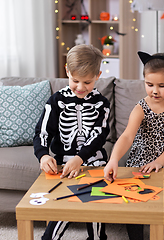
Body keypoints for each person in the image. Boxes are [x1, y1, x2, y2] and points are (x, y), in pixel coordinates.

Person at [104, 50, 164, 240]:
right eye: (149, 84)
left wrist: (160, 162)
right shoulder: (140, 108)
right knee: (133, 202)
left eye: (162, 86)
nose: (155, 90)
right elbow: (127, 136)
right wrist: (114, 159)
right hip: (143, 159)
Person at [33, 44, 110, 240]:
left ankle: (97, 237)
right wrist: (43, 155)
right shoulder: (55, 101)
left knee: (93, 201)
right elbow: (42, 132)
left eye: (88, 82)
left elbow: (99, 135)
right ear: (67, 71)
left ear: (98, 75)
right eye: (75, 80)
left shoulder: (101, 103)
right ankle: (50, 237)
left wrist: (80, 158)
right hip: (63, 165)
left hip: (94, 162)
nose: (81, 87)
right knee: (64, 202)